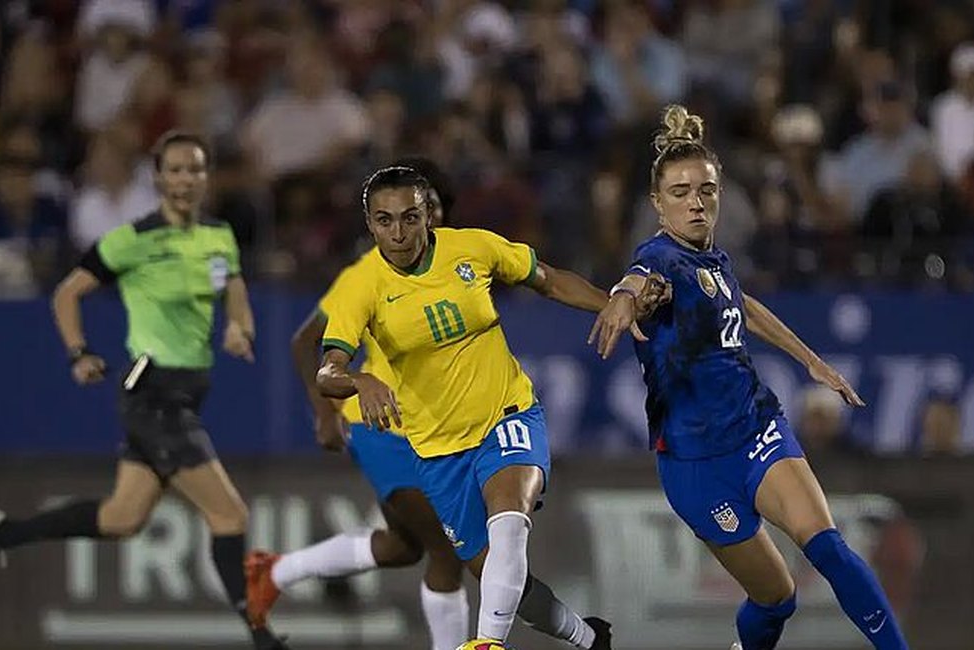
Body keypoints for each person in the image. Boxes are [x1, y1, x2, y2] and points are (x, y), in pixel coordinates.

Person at [588, 105, 909, 650]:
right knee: (775, 599)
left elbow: (745, 305)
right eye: (681, 191)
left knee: (828, 547)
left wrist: (809, 359)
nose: (696, 201)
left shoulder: (714, 259)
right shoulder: (661, 258)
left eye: (706, 190)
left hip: (757, 428)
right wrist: (623, 296)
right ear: (657, 203)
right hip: (695, 464)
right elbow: (643, 280)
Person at [0, 131, 291, 650]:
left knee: (122, 518)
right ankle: (260, 634)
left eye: (194, 170)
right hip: (153, 396)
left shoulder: (218, 237)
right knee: (230, 515)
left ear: (205, 178)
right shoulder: (131, 239)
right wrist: (78, 353)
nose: (185, 180)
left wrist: (238, 325)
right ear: (157, 178)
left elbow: (235, 287)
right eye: (174, 170)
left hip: (184, 397)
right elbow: (67, 293)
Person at [313, 166, 653, 648]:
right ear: (370, 225)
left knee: (510, 516)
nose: (399, 233)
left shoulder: (472, 247)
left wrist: (614, 304)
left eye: (410, 218)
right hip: (437, 452)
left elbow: (549, 279)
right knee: (505, 583)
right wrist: (359, 378)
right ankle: (588, 638)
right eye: (385, 221)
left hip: (506, 414)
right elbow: (327, 372)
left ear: (428, 215)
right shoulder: (361, 287)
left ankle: (487, 644)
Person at [245, 157, 469, 650]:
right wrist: (324, 410)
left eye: (424, 211)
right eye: (401, 213)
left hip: (433, 432)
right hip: (381, 427)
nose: (410, 225)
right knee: (448, 549)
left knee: (402, 546)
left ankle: (275, 571)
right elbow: (306, 341)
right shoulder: (371, 270)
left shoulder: (460, 264)